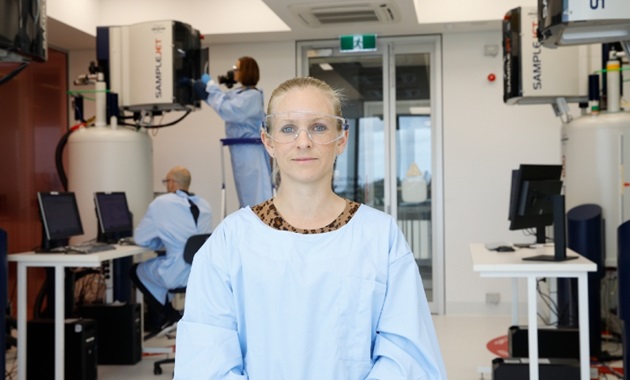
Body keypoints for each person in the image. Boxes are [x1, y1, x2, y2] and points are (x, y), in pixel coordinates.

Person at [174, 77, 446, 379]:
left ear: (341, 139)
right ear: (268, 142)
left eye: (318, 127)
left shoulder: (379, 235)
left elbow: (406, 354)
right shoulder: (231, 240)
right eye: (288, 128)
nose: (303, 142)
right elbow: (205, 358)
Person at [130, 166, 212, 329]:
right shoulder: (204, 205)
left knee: (135, 271)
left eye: (166, 181)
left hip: (176, 273)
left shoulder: (162, 203)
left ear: (172, 183)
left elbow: (140, 239)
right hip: (200, 274)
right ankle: (167, 317)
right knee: (157, 266)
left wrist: (159, 242)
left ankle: (168, 315)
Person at [195, 56, 273, 208]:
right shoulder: (241, 93)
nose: (234, 72)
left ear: (245, 71)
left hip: (250, 152)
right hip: (240, 151)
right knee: (245, 196)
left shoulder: (252, 96)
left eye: (237, 69)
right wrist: (208, 92)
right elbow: (223, 100)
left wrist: (210, 86)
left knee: (256, 195)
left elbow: (228, 110)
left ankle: (260, 226)